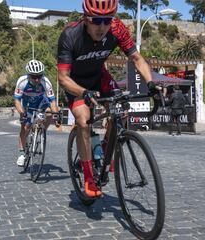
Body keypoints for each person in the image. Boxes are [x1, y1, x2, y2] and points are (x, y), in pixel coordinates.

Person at [57, 0, 161, 198]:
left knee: (121, 111)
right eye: (97, 20)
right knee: (83, 120)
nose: (102, 26)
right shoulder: (70, 35)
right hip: (76, 83)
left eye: (107, 20)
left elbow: (137, 59)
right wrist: (84, 93)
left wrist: (152, 84)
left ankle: (106, 149)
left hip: (99, 77)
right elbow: (63, 78)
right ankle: (88, 177)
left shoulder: (117, 29)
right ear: (86, 18)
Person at [14, 60, 60, 167]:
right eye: (33, 76)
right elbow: (17, 100)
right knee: (25, 128)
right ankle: (22, 154)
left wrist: (56, 114)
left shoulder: (46, 82)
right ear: (28, 75)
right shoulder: (22, 81)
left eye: (39, 76)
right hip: (27, 105)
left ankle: (42, 130)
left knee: (49, 113)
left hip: (41, 102)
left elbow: (52, 101)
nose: (36, 79)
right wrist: (21, 112)